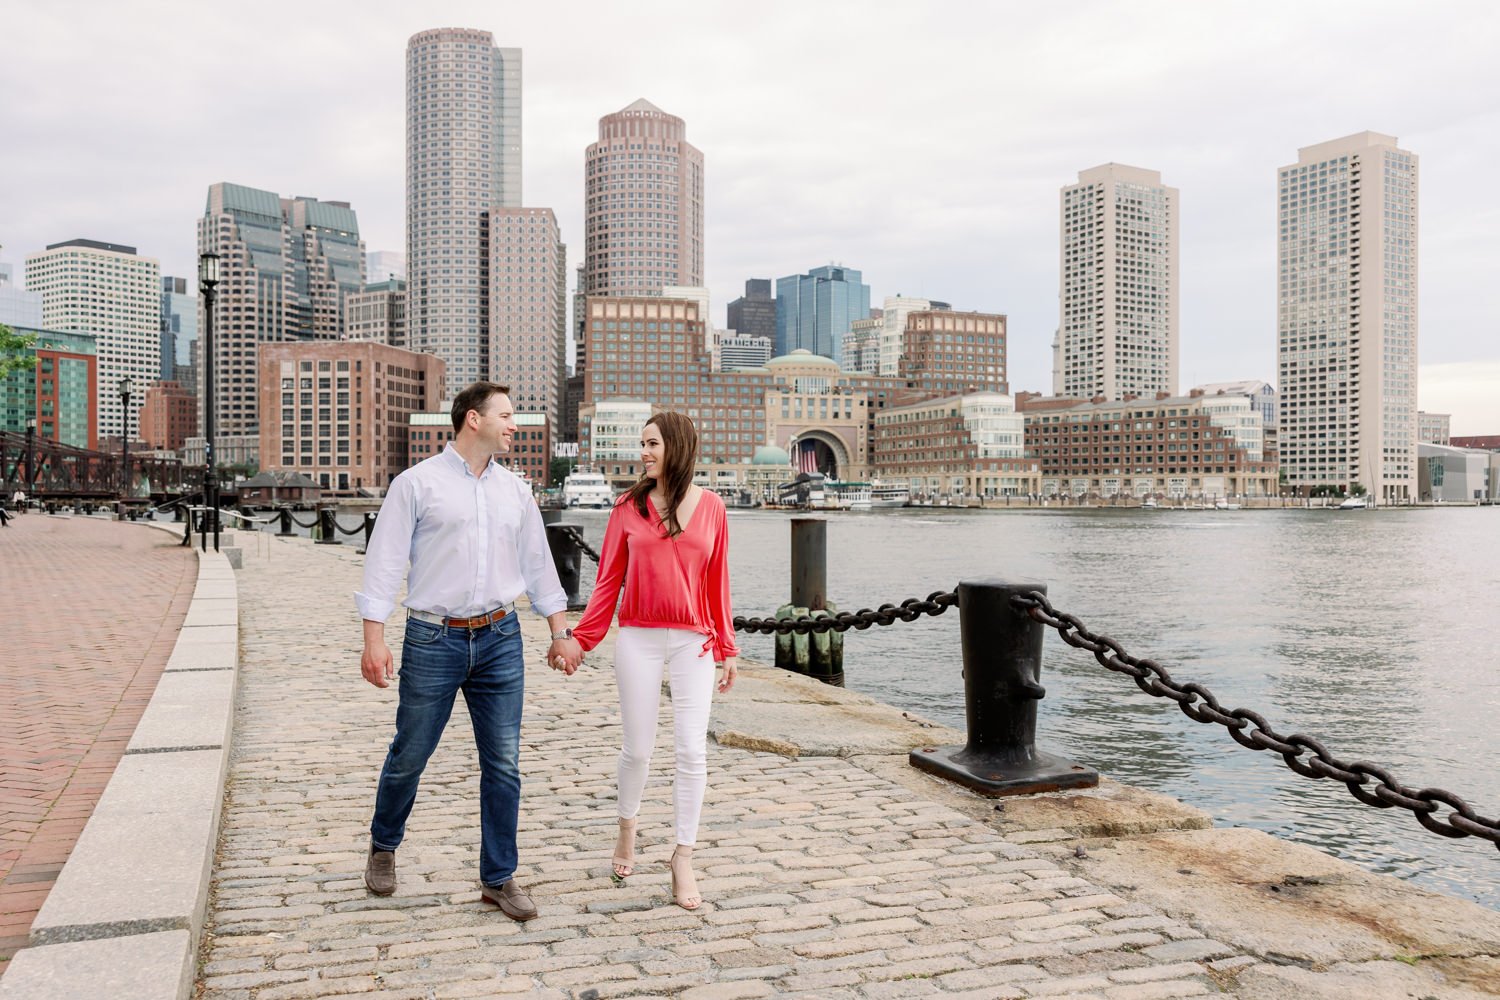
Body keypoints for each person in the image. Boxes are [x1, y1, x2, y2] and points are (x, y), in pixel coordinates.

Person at [354, 381, 582, 920]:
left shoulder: (516, 491)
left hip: (501, 638)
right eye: (506, 414)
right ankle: (383, 846)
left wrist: (559, 630)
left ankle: (499, 878)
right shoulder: (417, 485)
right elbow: (384, 562)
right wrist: (374, 638)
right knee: (411, 754)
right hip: (433, 637)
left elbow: (538, 566)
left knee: (503, 764)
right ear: (472, 419)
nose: (514, 424)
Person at [563, 411, 739, 911]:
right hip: (638, 637)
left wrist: (726, 647)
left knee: (691, 751)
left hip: (694, 644)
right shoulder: (627, 506)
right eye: (642, 443)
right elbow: (607, 584)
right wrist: (582, 639)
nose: (643, 452)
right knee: (638, 750)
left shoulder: (713, 508)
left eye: (652, 443)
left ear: (677, 447)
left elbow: (717, 584)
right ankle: (627, 828)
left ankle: (682, 856)